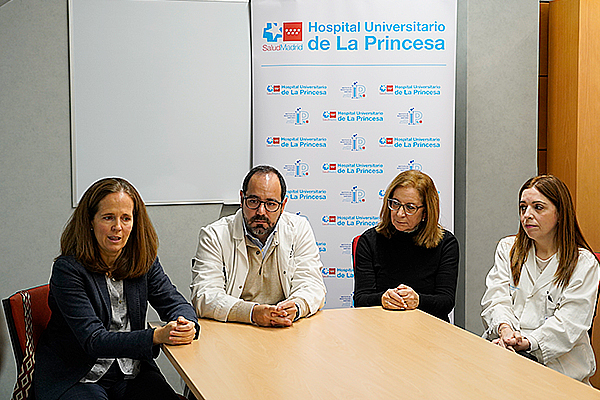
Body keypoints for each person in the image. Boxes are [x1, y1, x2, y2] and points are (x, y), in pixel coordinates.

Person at [34, 178, 200, 400]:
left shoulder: (144, 261)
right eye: (108, 217)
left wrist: (186, 323)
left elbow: (175, 301)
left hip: (131, 372)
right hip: (78, 376)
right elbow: (94, 340)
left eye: (125, 218)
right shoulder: (68, 270)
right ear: (90, 222)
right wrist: (156, 336)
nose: (117, 227)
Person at [481, 175, 599, 383]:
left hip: (560, 370)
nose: (527, 215)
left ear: (560, 214)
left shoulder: (584, 263)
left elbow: (570, 322)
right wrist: (506, 330)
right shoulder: (508, 249)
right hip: (507, 357)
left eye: (538, 207)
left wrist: (528, 342)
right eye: (523, 207)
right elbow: (496, 299)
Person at [190, 165, 326, 327]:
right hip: (234, 328)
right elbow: (204, 296)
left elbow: (312, 284)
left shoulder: (298, 229)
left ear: (283, 206)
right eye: (253, 201)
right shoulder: (215, 235)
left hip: (284, 328)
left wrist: (296, 306)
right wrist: (252, 313)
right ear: (242, 199)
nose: (261, 211)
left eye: (270, 204)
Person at [353, 170, 459, 321]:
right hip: (380, 326)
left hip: (429, 329)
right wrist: (383, 299)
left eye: (410, 207)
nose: (399, 213)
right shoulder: (370, 241)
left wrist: (418, 300)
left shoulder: (446, 243)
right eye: (395, 204)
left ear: (426, 212)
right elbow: (361, 299)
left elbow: (446, 302)